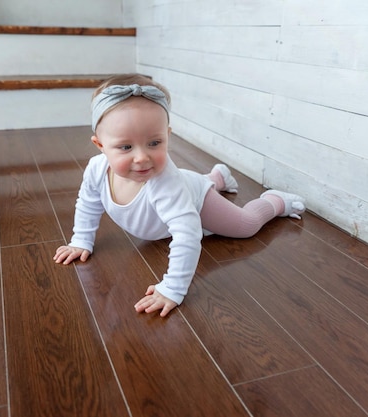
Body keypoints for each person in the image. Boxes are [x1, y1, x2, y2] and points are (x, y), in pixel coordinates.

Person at [54, 74, 305, 317]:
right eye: (126, 147)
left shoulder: (164, 183)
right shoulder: (97, 170)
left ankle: (274, 201)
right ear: (100, 145)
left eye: (154, 143)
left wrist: (172, 288)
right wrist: (81, 240)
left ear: (168, 136)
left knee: (245, 226)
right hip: (185, 185)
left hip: (197, 198)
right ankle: (216, 177)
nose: (142, 158)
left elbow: (187, 234)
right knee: (186, 184)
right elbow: (88, 204)